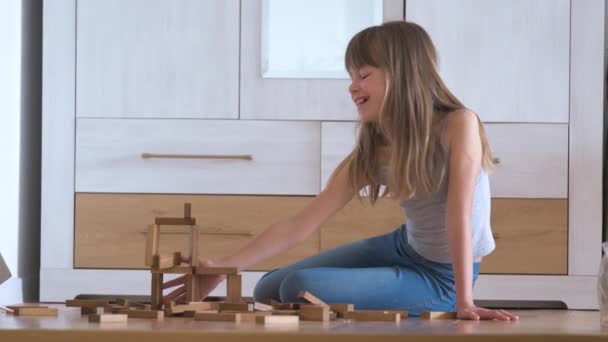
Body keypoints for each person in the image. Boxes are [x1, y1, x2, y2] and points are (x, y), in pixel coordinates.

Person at [163, 21, 518, 321]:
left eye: (363, 75)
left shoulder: (458, 124)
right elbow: (299, 225)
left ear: (404, 75)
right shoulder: (372, 150)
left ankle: (430, 291)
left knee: (298, 286)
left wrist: (463, 300)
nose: (352, 86)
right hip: (404, 246)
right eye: (350, 76)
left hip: (443, 276)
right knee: (267, 288)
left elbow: (459, 214)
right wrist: (224, 268)